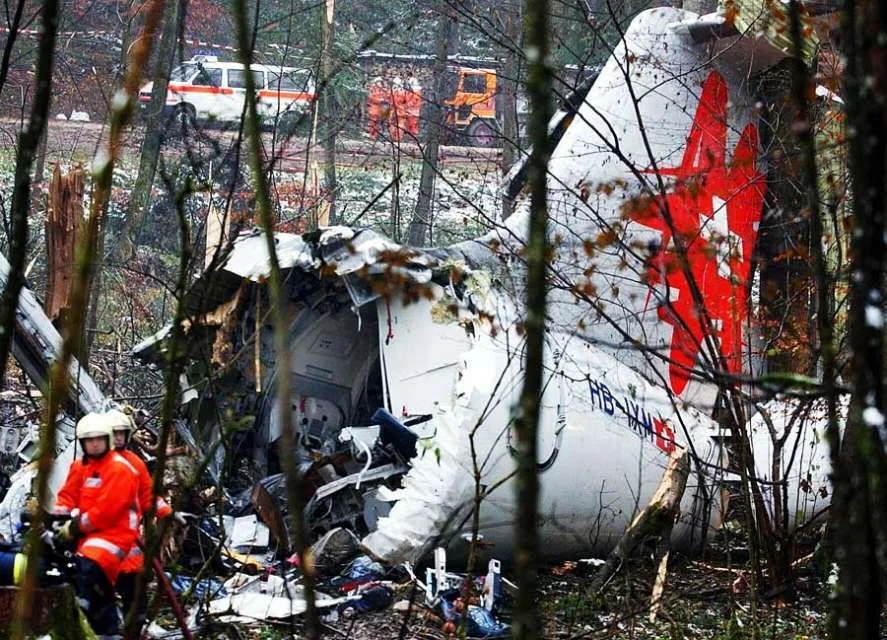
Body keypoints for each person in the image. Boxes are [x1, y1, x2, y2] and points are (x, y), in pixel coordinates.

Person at [53, 411, 140, 637]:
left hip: (115, 537)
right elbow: (67, 496)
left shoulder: (120, 469)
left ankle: (95, 626)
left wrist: (73, 526)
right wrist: (56, 519)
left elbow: (105, 512)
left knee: (91, 574)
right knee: (71, 573)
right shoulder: (80, 466)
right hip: (86, 535)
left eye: (98, 439)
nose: (94, 444)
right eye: (89, 440)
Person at [106, 409, 177, 634]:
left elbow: (146, 494)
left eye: (122, 433)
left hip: (130, 551)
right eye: (115, 433)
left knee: (136, 602)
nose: (119, 438)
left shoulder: (135, 463)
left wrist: (164, 510)